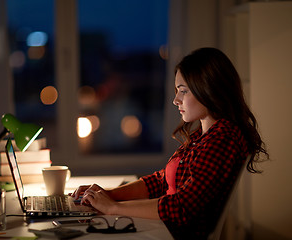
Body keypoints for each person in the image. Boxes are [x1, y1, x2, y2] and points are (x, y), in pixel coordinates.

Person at [70, 47, 268, 240]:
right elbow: (161, 181)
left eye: (183, 91)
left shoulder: (223, 140)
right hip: (162, 228)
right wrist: (108, 195)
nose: (176, 100)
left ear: (208, 89)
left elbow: (182, 207)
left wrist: (112, 207)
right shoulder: (205, 136)